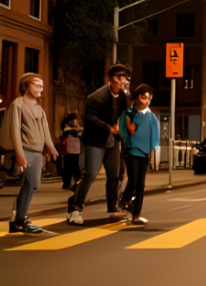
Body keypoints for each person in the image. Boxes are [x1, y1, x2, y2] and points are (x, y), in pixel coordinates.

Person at [67, 63, 131, 225]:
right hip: (95, 140)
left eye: (126, 78)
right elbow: (89, 116)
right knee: (90, 175)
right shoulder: (97, 96)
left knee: (114, 176)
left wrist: (119, 125)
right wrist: (108, 128)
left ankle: (113, 209)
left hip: (112, 141)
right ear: (111, 79)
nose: (124, 81)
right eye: (120, 77)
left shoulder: (124, 96)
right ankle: (75, 208)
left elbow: (126, 113)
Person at [0, 74, 58, 233]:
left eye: (42, 86)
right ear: (25, 86)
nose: (40, 88)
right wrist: (19, 152)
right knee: (30, 183)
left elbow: (45, 130)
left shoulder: (39, 108)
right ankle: (20, 218)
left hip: (38, 151)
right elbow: (14, 130)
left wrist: (51, 147)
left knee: (33, 184)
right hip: (26, 149)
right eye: (36, 85)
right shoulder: (18, 104)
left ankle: (18, 218)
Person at [117, 84, 160, 225]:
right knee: (134, 179)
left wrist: (153, 153)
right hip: (131, 152)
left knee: (140, 184)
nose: (146, 101)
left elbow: (155, 137)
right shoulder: (128, 114)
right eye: (143, 97)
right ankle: (124, 199)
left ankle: (136, 214)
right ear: (136, 98)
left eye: (149, 98)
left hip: (145, 153)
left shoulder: (152, 117)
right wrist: (128, 144)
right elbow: (124, 132)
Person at [59, 116, 82, 191]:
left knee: (67, 169)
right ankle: (77, 182)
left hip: (69, 152)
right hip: (76, 152)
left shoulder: (66, 132)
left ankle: (67, 183)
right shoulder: (79, 132)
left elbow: (62, 142)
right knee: (75, 168)